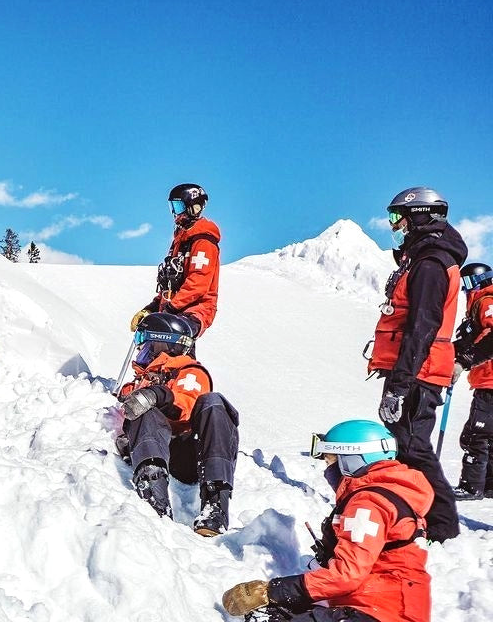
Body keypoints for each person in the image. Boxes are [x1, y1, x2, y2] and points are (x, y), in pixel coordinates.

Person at [222, 420, 433, 622]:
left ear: (352, 459)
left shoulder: (368, 504)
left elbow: (347, 574)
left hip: (376, 613)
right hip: (380, 608)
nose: (328, 469)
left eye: (331, 461)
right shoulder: (387, 495)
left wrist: (271, 591)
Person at [368, 186, 466, 542]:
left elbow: (422, 326)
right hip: (414, 369)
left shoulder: (430, 264)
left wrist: (399, 383)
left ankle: (441, 524)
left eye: (399, 216)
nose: (395, 224)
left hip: (418, 371)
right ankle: (418, 513)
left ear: (420, 215)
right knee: (406, 444)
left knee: (412, 445)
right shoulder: (422, 257)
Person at [115, 312, 239, 536]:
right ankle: (154, 496)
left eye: (147, 344)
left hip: (188, 456)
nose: (143, 351)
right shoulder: (147, 377)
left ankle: (215, 505)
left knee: (214, 403)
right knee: (145, 409)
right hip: (154, 450)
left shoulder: (190, 372)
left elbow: (186, 405)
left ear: (162, 343)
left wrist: (158, 395)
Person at [129, 184, 221, 344]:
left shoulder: (203, 241)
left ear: (193, 207)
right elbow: (171, 285)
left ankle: (184, 369)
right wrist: (151, 308)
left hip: (195, 310)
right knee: (148, 345)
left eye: (178, 206)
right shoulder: (180, 240)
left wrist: (169, 309)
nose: (174, 212)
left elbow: (198, 284)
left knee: (164, 341)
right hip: (177, 309)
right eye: (172, 206)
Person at [452, 261, 493, 500]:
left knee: (475, 435)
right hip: (486, 379)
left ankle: (471, 486)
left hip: (489, 380)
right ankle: (488, 484)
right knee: (488, 435)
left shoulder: (487, 301)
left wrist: (465, 360)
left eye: (467, 284)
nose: (466, 290)